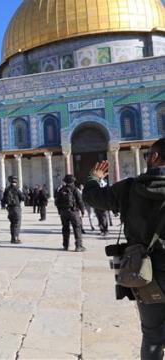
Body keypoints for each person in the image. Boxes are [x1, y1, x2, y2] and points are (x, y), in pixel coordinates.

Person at [83, 138, 165, 360]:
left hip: (145, 275)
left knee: (153, 337)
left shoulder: (129, 188)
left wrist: (93, 179)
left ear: (155, 157)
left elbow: (92, 197)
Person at [54, 175, 85, 251]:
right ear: (73, 181)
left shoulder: (61, 189)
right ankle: (78, 246)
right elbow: (80, 201)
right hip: (73, 211)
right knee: (77, 228)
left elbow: (57, 202)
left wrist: (59, 211)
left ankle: (65, 245)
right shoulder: (75, 189)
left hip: (64, 212)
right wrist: (82, 210)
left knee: (65, 228)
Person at [2, 176, 25, 243]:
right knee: (17, 223)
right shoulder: (17, 189)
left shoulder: (7, 189)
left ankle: (12, 237)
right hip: (16, 208)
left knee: (12, 223)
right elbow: (23, 198)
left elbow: (3, 199)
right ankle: (15, 238)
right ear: (16, 182)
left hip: (9, 208)